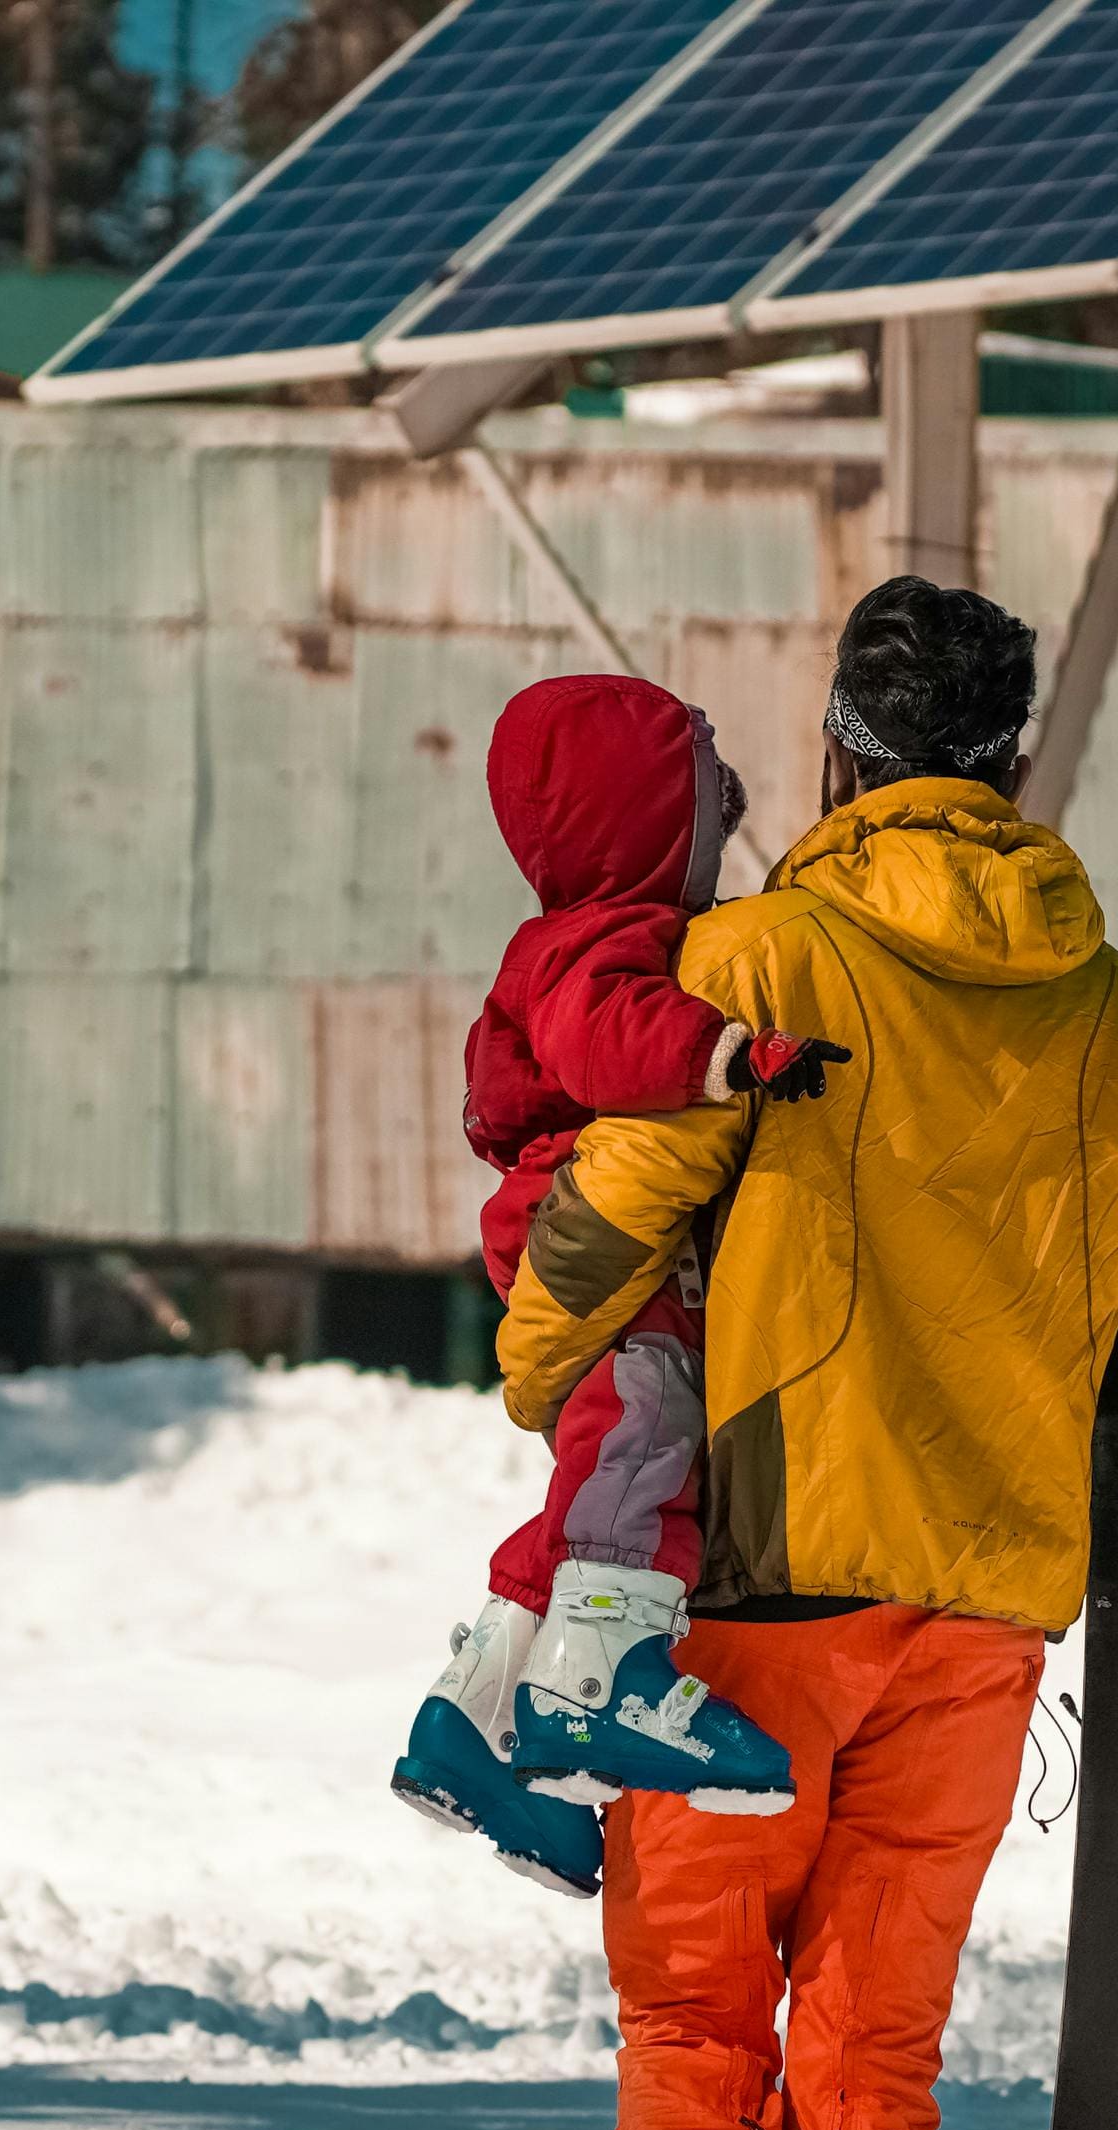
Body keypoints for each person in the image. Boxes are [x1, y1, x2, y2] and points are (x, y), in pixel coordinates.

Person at [498, 574, 1118, 2130]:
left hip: (756, 1597)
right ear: (1016, 762)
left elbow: (620, 1202)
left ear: (834, 747)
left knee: (692, 2025)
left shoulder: (757, 959)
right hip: (983, 1617)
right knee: (869, 2061)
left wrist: (536, 1359)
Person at [390, 674, 848, 1901]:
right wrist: (728, 1057)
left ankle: (478, 1723)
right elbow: (608, 1043)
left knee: (600, 1445)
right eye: (703, 808)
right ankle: (604, 1676)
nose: (719, 834)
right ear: (639, 823)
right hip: (587, 1217)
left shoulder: (561, 932)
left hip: (547, 1213)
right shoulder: (606, 940)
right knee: (647, 1428)